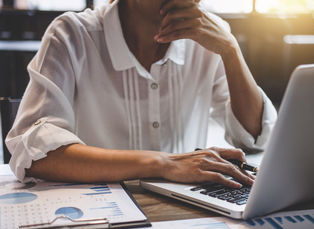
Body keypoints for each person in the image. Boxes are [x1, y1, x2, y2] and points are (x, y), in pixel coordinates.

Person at [6, 0, 277, 188]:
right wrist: (163, 163)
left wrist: (230, 50)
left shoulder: (208, 37)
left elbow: (254, 138)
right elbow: (35, 154)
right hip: (101, 212)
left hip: (185, 211)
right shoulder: (72, 35)